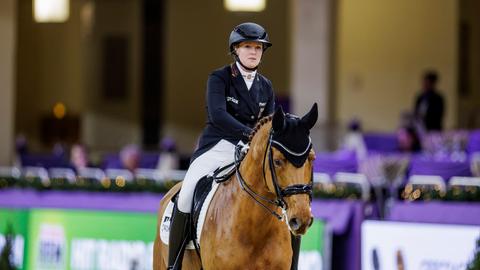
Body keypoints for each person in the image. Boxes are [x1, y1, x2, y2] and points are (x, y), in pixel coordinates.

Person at [167, 22, 283, 269]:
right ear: (236, 50)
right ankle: (174, 262)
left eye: (258, 48)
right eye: (248, 47)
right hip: (219, 146)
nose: (254, 52)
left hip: (252, 153)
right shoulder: (219, 78)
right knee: (186, 194)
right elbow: (218, 115)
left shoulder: (267, 86)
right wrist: (251, 135)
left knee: (283, 202)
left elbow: (270, 125)